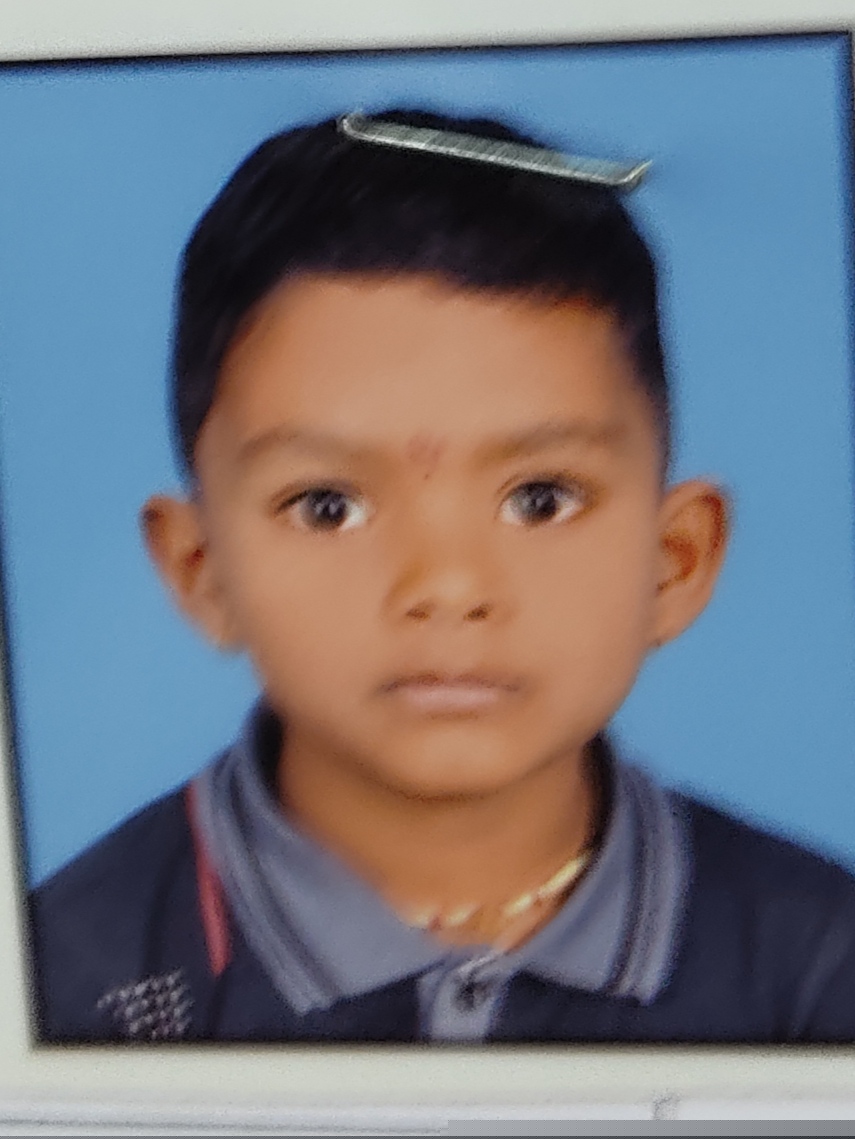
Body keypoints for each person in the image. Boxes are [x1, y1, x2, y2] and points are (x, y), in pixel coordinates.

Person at [29, 108, 855, 1044]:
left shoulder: (819, 967)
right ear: (201, 569)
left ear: (675, 561)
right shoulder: (62, 984)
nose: (448, 586)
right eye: (327, 506)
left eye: (539, 499)